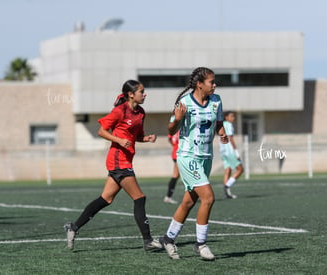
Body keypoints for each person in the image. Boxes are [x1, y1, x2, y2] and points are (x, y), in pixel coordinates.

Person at [63, 80, 162, 251]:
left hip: (126, 160)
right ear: (131, 94)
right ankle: (147, 241)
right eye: (141, 91)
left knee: (106, 199)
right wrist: (118, 140)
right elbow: (101, 131)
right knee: (139, 198)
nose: (144, 94)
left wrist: (146, 138)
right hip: (118, 161)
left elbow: (136, 136)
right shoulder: (119, 111)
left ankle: (73, 227)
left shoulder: (141, 112)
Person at [158, 67, 228, 260]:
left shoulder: (216, 100)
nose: (215, 85)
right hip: (188, 157)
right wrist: (177, 120)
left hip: (206, 157)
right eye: (211, 82)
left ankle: (168, 238)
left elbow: (218, 122)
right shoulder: (185, 103)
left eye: (214, 82)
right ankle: (201, 244)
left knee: (189, 201)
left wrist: (222, 133)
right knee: (208, 198)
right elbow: (171, 130)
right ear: (199, 84)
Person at [219, 111, 244, 199]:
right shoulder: (228, 125)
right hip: (229, 151)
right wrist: (236, 152)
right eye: (231, 116)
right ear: (226, 117)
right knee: (240, 169)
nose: (233, 118)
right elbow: (231, 139)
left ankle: (226, 193)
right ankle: (227, 186)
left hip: (223, 151)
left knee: (227, 171)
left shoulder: (222, 124)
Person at [163, 131, 180, 204]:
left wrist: (175, 146)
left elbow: (169, 139)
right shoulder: (181, 130)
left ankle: (168, 197)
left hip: (175, 153)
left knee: (176, 175)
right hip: (179, 154)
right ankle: (168, 196)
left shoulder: (174, 131)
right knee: (176, 175)